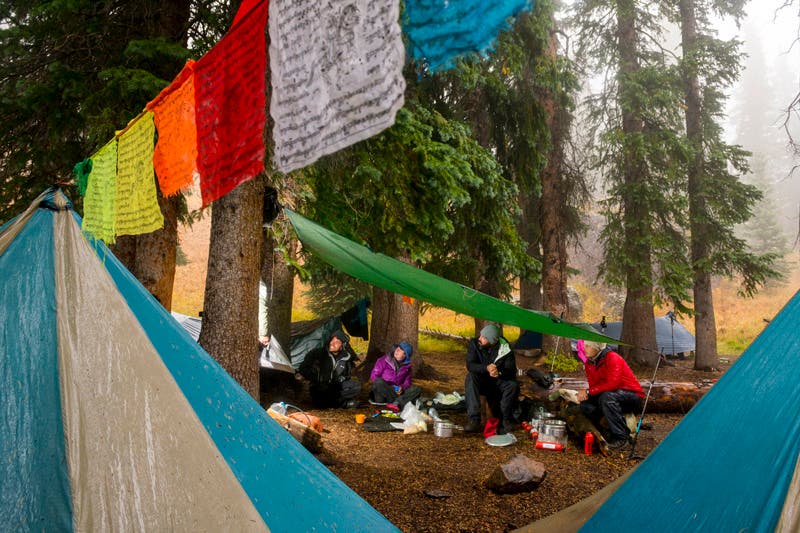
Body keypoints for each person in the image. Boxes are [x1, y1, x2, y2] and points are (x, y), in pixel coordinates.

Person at [577, 340, 644, 449]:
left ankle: (622, 437)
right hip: (609, 395)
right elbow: (595, 386)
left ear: (597, 347)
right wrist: (585, 395)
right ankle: (603, 432)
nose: (585, 349)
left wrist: (588, 391)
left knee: (607, 397)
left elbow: (613, 384)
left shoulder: (612, 357)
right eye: (585, 346)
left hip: (632, 396)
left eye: (588, 346)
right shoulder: (589, 363)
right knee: (586, 404)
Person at [463, 324, 519, 434]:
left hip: (497, 382)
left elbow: (511, 371)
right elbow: (470, 365)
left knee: (513, 385)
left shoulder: (505, 349)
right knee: (470, 377)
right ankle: (474, 420)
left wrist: (499, 372)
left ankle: (505, 420)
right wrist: (486, 368)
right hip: (482, 381)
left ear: (492, 341)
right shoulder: (474, 344)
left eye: (484, 337)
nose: (480, 338)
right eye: (481, 335)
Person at [297, 330, 361, 408]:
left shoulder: (346, 359)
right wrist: (316, 377)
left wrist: (341, 380)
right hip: (319, 387)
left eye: (337, 342)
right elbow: (303, 368)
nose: (332, 343)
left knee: (356, 386)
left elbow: (347, 376)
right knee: (323, 393)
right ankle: (341, 403)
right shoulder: (317, 353)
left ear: (342, 346)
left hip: (335, 387)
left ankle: (337, 402)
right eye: (332, 340)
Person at [369, 342, 421, 410]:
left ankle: (397, 402)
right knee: (379, 381)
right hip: (383, 392)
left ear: (405, 355)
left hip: (396, 393)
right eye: (398, 348)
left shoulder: (407, 368)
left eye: (400, 350)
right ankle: (400, 402)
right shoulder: (383, 360)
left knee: (417, 389)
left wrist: (401, 387)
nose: (397, 350)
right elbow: (373, 376)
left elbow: (407, 383)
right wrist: (390, 386)